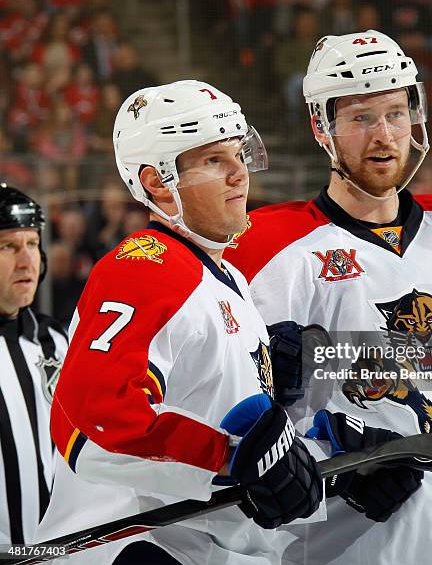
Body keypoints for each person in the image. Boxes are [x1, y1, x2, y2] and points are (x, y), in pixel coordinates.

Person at [224, 30, 432, 564]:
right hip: (333, 549)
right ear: (320, 127)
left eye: (396, 113)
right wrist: (329, 477)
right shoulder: (267, 249)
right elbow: (236, 416)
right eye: (360, 117)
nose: (384, 136)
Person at [34, 80, 324, 564]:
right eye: (214, 161)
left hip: (199, 548)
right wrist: (231, 457)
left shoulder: (223, 272)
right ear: (156, 183)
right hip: (132, 548)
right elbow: (89, 424)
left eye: (239, 154)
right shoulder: (146, 267)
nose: (240, 175)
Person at [0, 183, 67, 545]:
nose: (26, 260)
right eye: (8, 247)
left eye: (31, 244)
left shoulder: (55, 339)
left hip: (62, 550)